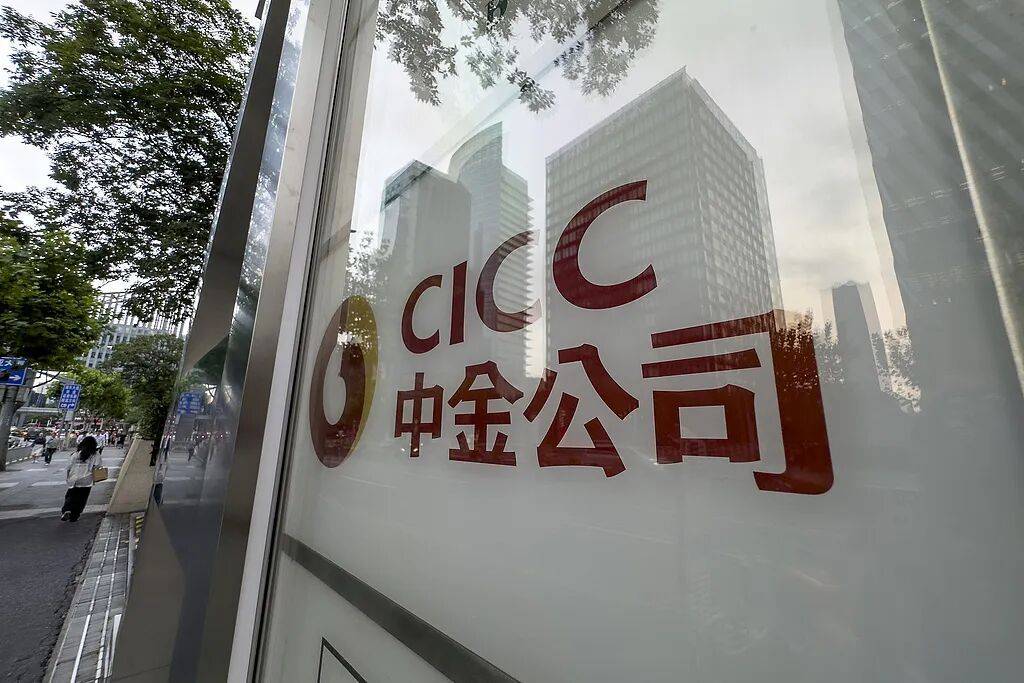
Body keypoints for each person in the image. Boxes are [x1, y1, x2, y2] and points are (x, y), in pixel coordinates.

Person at [61, 436, 102, 522]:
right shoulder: (95, 455)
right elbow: (97, 466)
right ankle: (74, 516)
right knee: (82, 498)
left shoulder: (76, 454)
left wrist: (68, 477)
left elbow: (69, 467)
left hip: (74, 478)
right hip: (87, 479)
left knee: (70, 495)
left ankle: (67, 509)